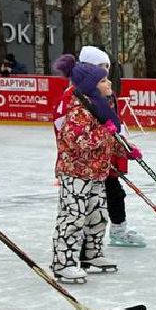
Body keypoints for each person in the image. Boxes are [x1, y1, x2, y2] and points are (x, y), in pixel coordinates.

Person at [51, 61, 121, 283]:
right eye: (103, 80)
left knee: (98, 215)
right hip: (76, 173)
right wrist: (105, 132)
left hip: (97, 172)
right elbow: (78, 141)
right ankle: (63, 262)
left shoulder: (100, 105)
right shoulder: (79, 109)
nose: (109, 83)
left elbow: (109, 137)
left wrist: (125, 149)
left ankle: (92, 253)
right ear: (91, 85)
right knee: (73, 217)